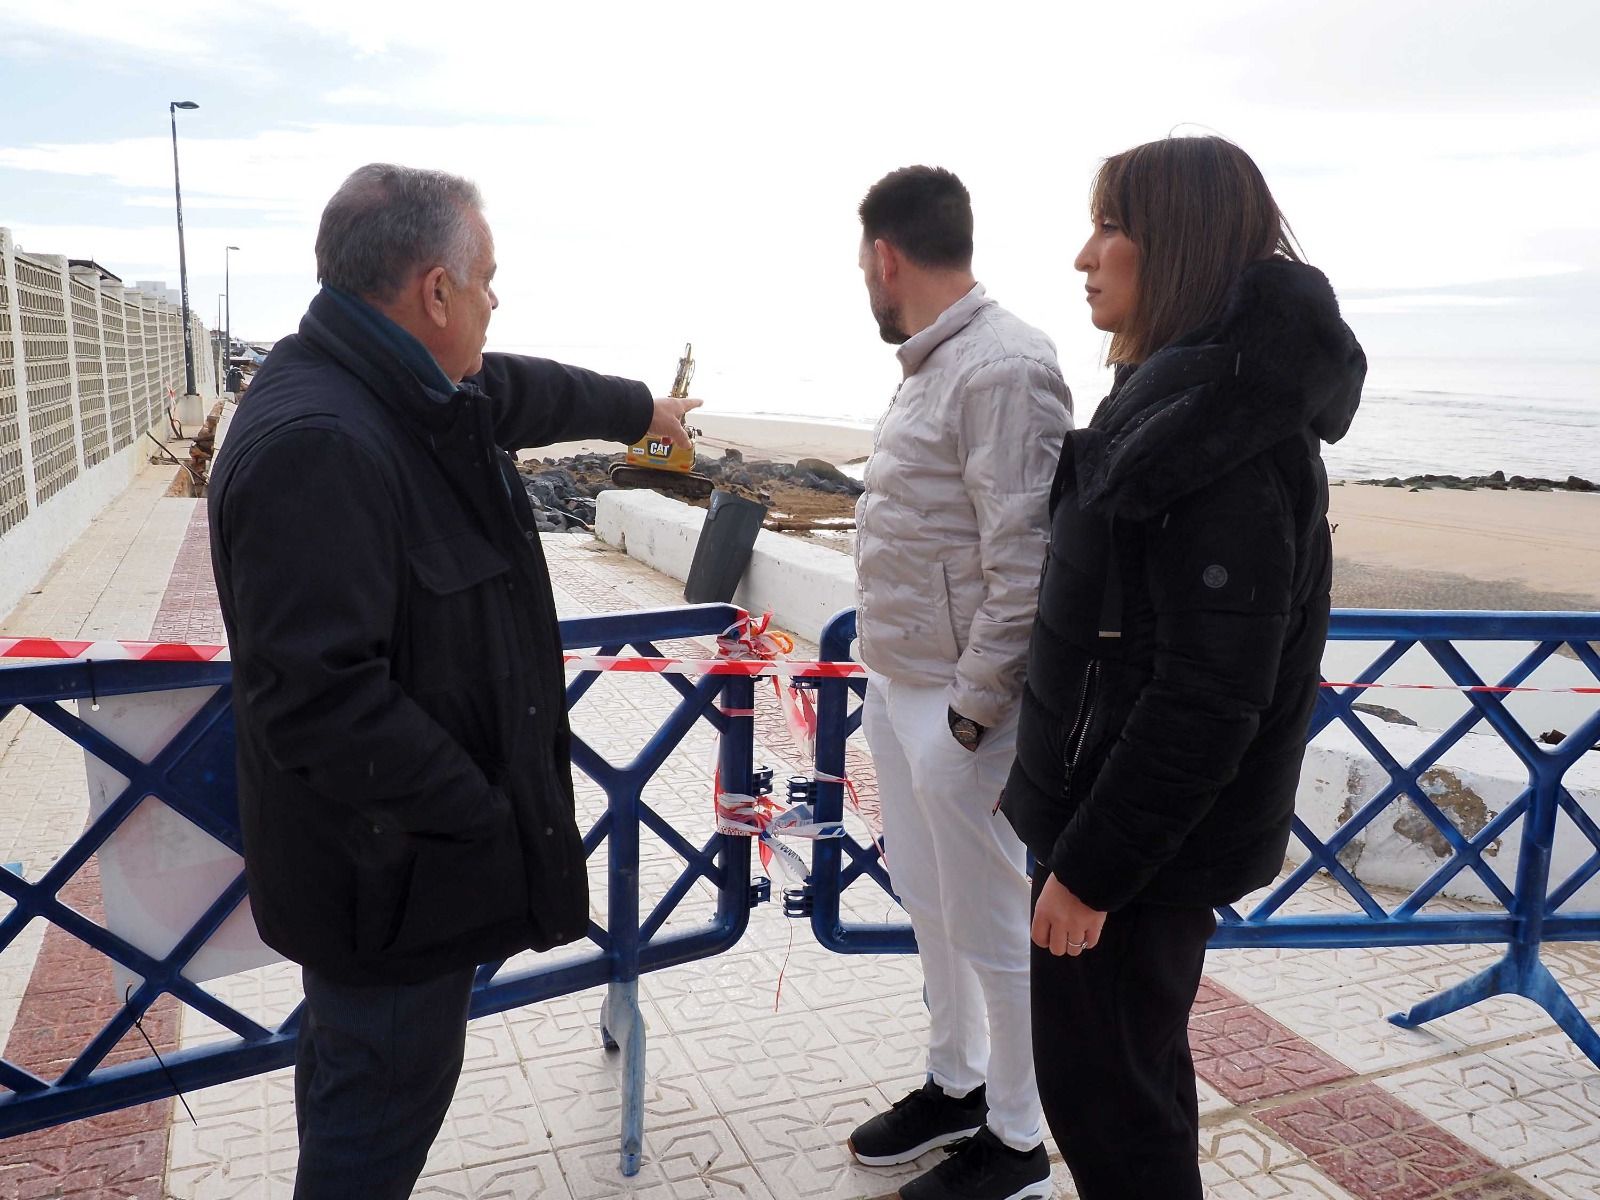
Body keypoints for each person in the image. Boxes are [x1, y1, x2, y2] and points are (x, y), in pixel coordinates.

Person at [208, 163, 699, 1199]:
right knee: (370, 1132)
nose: (493, 302)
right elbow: (317, 698)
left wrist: (641, 408)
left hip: (404, 875)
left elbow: (521, 385)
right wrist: (479, 818)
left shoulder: (407, 387)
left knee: (368, 1101)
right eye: (486, 282)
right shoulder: (322, 441)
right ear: (435, 291)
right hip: (389, 889)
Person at [1001, 135, 1366, 1198]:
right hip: (1117, 835)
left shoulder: (1224, 445)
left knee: (1111, 1112)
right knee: (1132, 1088)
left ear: (1180, 244)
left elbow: (1206, 698)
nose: (1084, 254)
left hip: (1133, 856)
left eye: (1112, 225)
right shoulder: (1185, 403)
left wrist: (1088, 872)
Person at [848, 165, 1071, 1200]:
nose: (863, 275)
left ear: (885, 256)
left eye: (862, 259)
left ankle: (1021, 1137)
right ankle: (956, 1082)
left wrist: (971, 719)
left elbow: (1024, 561)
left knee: (989, 922)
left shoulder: (1005, 366)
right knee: (928, 901)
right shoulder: (930, 363)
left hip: (959, 707)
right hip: (900, 685)